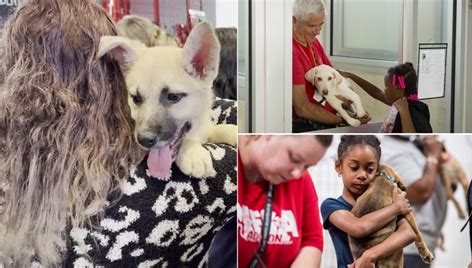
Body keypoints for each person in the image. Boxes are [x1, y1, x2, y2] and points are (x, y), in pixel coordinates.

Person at [0, 0, 236, 266]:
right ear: (109, 74)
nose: (146, 131)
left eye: (171, 97)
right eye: (136, 98)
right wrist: (200, 138)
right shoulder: (218, 176)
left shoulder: (14, 173)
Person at [237, 135, 333, 268]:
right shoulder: (223, 167)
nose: (297, 174)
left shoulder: (300, 179)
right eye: (295, 159)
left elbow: (311, 240)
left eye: (307, 166)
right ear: (267, 135)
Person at [321, 135, 415, 268]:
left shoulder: (383, 205)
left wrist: (370, 255)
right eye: (354, 167)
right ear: (339, 167)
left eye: (370, 169)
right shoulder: (331, 205)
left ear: (377, 170)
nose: (362, 175)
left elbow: (408, 233)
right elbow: (359, 228)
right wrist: (396, 208)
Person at [292, 0, 385, 132]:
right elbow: (302, 108)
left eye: (321, 25)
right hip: (309, 126)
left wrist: (351, 112)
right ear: (294, 21)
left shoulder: (314, 43)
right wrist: (344, 120)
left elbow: (336, 83)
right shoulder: (292, 52)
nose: (317, 31)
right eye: (312, 25)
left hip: (332, 118)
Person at [380, 135, 444, 268]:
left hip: (420, 245)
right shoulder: (387, 149)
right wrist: (433, 157)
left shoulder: (410, 144)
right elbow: (421, 192)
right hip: (407, 248)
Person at [341, 62, 432, 133]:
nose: (384, 90)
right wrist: (351, 76)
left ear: (396, 88)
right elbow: (377, 93)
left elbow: (411, 137)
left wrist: (404, 112)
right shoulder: (398, 102)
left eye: (386, 86)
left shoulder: (412, 110)